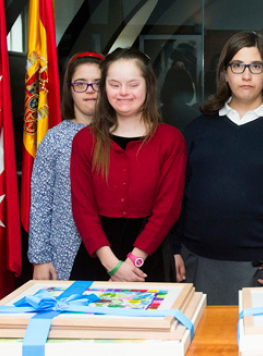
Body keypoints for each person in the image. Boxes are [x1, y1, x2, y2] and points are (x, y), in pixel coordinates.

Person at [172, 31, 263, 305]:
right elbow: (177, 196)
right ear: (225, 73)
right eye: (237, 66)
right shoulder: (196, 130)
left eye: (255, 67)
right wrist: (174, 249)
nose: (246, 75)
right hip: (199, 264)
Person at [69, 47, 187, 282]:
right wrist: (112, 266)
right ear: (104, 88)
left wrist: (133, 263)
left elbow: (167, 209)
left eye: (133, 85)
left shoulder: (170, 140)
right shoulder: (84, 140)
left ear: (148, 87)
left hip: (149, 256)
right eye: (114, 85)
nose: (124, 93)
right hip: (99, 255)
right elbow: (83, 209)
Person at [28, 52, 104, 280]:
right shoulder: (54, 139)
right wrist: (40, 258)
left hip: (114, 250)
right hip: (65, 251)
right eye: (80, 84)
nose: (90, 90)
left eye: (97, 83)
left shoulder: (120, 135)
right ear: (70, 90)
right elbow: (40, 202)